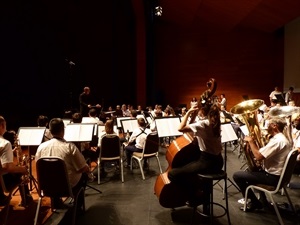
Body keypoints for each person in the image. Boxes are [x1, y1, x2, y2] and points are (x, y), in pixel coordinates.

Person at [167, 104, 223, 206]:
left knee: (172, 174)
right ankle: (202, 191)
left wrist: (188, 112)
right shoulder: (216, 123)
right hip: (219, 161)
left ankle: (195, 195)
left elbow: (181, 128)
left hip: (207, 162)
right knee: (189, 166)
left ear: (203, 112)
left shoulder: (203, 124)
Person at [233, 117, 291, 211]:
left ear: (274, 126)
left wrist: (251, 142)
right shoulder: (282, 139)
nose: (266, 126)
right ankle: (262, 200)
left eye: (268, 124)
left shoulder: (278, 141)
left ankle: (255, 203)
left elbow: (259, 156)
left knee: (237, 175)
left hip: (272, 178)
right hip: (279, 177)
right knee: (252, 170)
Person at [35, 118, 90, 209]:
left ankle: (56, 202)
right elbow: (81, 168)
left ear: (50, 130)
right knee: (84, 174)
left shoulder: (41, 147)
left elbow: (38, 166)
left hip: (47, 188)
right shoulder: (70, 147)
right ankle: (78, 207)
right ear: (63, 130)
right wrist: (87, 168)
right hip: (67, 188)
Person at [0, 116, 31, 206]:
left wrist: (11, 152)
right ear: (2, 125)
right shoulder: (5, 143)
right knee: (20, 170)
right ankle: (27, 199)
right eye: (5, 125)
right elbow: (6, 167)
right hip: (4, 183)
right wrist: (23, 169)